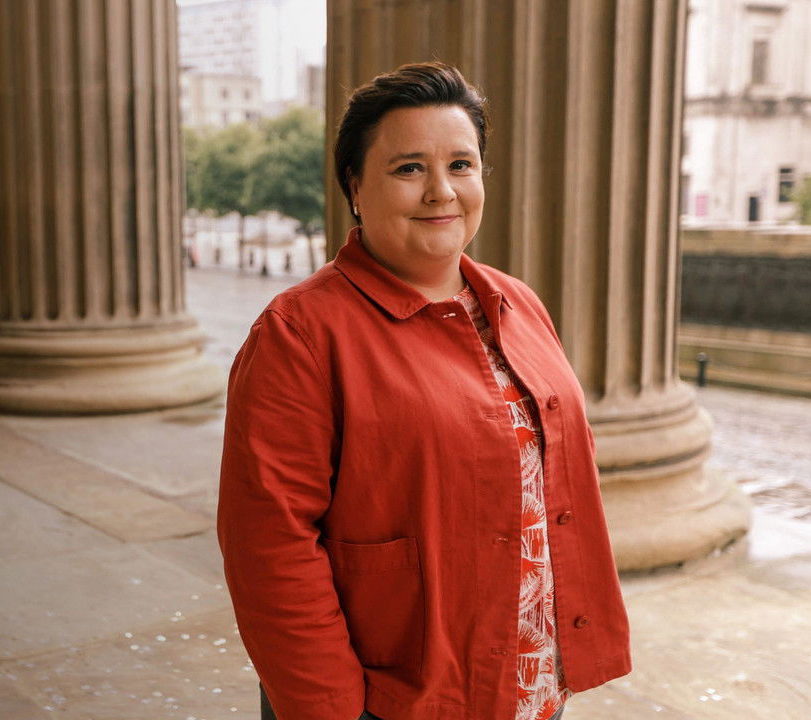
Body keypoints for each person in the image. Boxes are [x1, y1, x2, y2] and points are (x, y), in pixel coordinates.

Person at [216, 62, 631, 720]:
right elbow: (268, 544)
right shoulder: (299, 334)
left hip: (532, 682)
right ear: (355, 186)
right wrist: (331, 710)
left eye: (461, 165)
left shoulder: (516, 303)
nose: (442, 191)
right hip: (398, 699)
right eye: (409, 168)